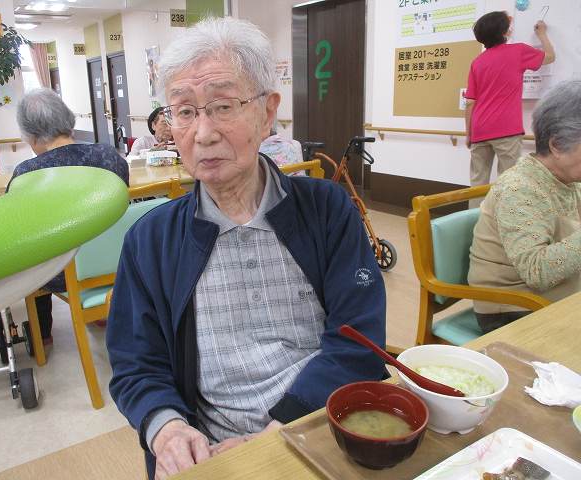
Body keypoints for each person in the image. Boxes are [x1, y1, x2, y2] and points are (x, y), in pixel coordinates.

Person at [106, 17, 387, 480]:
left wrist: (282, 429)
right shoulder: (151, 240)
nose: (203, 133)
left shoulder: (326, 209)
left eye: (222, 106)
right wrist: (168, 429)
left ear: (267, 112)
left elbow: (359, 339)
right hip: (214, 452)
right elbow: (137, 365)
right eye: (185, 111)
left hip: (319, 425)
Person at [9, 88, 129, 344]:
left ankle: (42, 335)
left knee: (30, 255)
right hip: (116, 260)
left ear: (31, 135)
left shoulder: (28, 173)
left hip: (58, 271)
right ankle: (100, 308)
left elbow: (19, 229)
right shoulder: (109, 156)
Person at [468, 80, 581, 334]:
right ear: (556, 145)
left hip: (555, 294)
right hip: (512, 307)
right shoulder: (519, 188)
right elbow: (537, 271)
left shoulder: (569, 179)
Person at [465, 11, 555, 192]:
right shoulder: (518, 51)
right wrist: (542, 34)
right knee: (509, 184)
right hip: (506, 129)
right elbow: (550, 56)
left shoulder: (477, 62)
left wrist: (469, 134)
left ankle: (477, 212)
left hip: (479, 129)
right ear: (504, 32)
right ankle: (504, 212)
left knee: (477, 184)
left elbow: (470, 102)